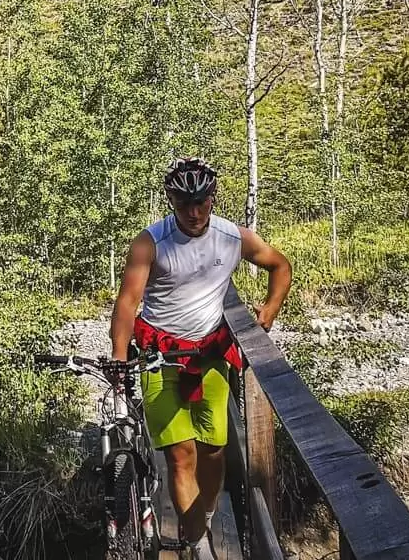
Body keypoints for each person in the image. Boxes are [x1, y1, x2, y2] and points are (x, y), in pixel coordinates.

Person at [109, 157, 292, 560]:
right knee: (180, 456)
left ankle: (205, 516)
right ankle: (196, 543)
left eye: (201, 202)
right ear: (171, 200)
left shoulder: (232, 237)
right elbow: (127, 304)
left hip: (209, 356)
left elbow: (280, 266)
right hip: (160, 360)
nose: (193, 213)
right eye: (183, 204)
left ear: (212, 198)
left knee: (213, 451)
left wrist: (269, 310)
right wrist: (120, 364)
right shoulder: (151, 243)